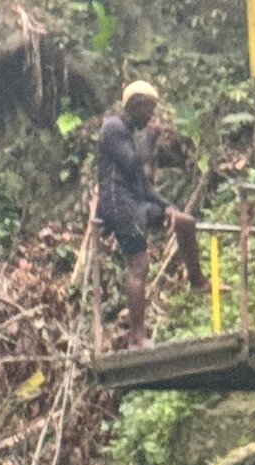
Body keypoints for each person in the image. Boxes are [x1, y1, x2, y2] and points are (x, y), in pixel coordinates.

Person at [97, 79, 208, 348]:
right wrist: (150, 138)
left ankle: (198, 282)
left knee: (184, 221)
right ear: (135, 106)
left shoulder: (130, 135)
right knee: (139, 264)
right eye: (148, 110)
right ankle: (137, 337)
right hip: (118, 204)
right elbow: (133, 161)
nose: (151, 117)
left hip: (135, 201)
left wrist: (168, 206)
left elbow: (142, 184)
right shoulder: (113, 128)